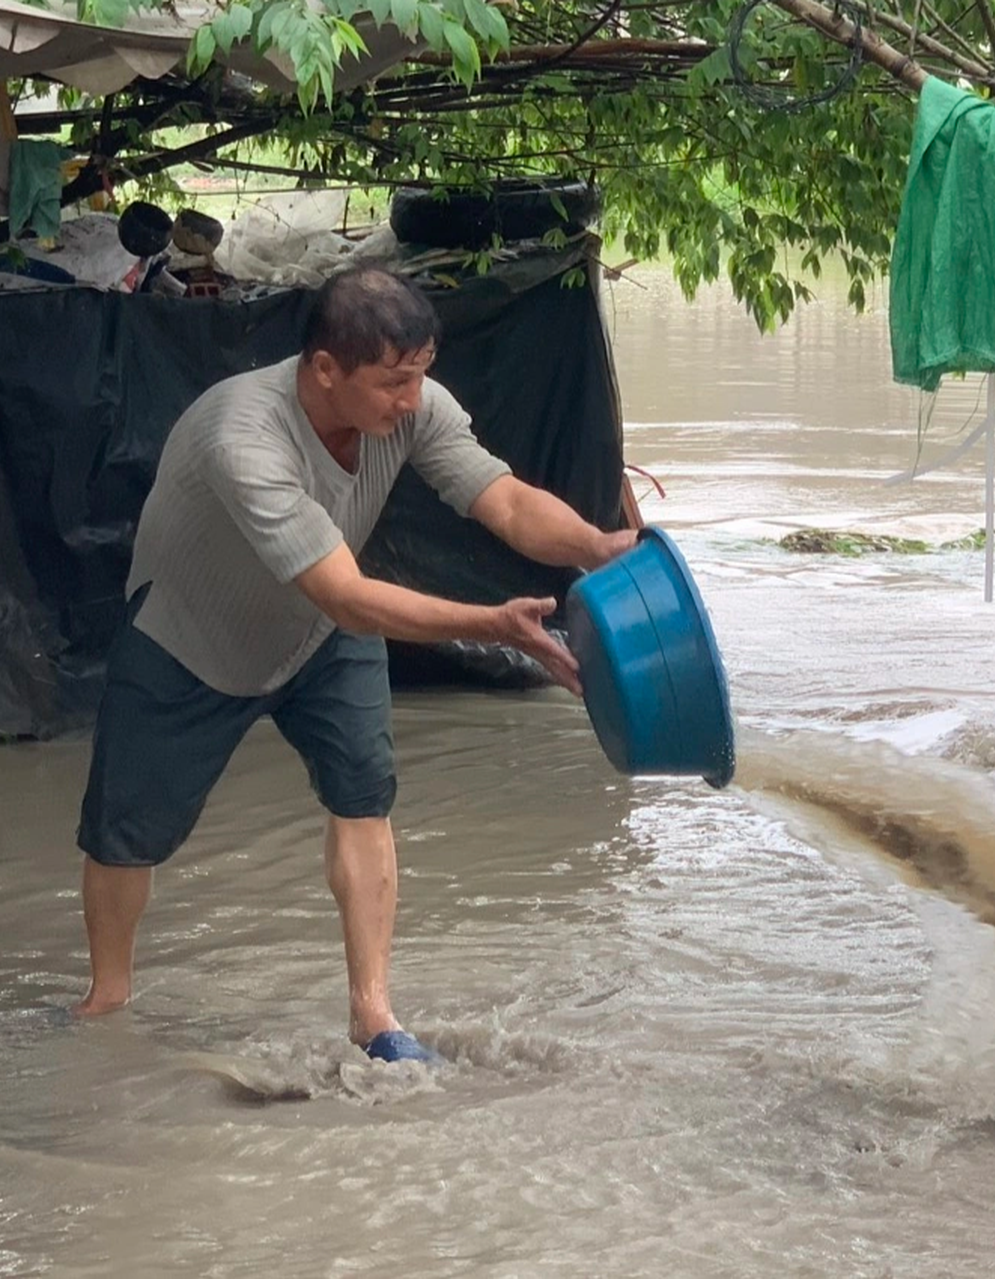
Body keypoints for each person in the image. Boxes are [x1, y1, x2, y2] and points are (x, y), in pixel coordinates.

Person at [71, 265, 635, 1061]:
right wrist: (494, 626)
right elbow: (344, 592)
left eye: (421, 375)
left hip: (321, 635)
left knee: (364, 796)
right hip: (193, 639)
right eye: (394, 382)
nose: (412, 399)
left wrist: (599, 545)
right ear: (326, 369)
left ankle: (374, 1015)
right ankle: (108, 999)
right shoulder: (243, 436)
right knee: (123, 832)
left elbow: (504, 501)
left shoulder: (412, 407)